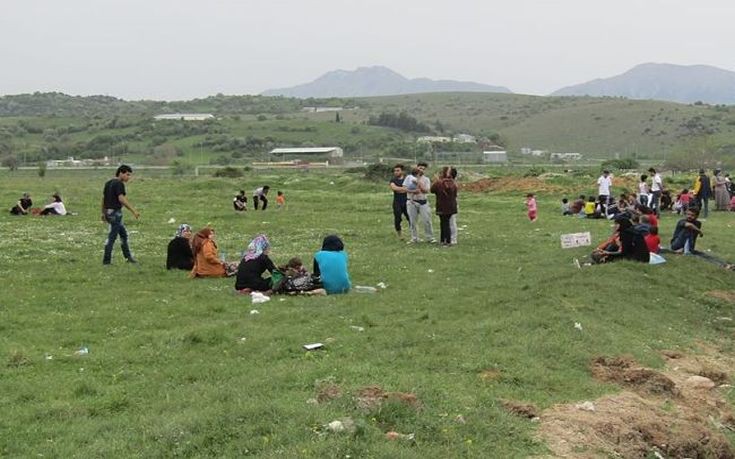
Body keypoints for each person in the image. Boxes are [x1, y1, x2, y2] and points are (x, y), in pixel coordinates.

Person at [102, 165, 140, 265]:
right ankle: (106, 261)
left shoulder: (108, 183)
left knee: (123, 234)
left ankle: (128, 257)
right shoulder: (119, 184)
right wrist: (133, 210)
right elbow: (121, 199)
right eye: (127, 174)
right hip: (115, 214)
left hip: (109, 213)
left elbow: (103, 199)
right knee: (112, 237)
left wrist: (103, 213)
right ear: (121, 173)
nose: (128, 177)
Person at [403, 162, 435, 243]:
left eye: (423, 169)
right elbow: (404, 188)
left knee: (426, 220)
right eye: (420, 168)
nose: (421, 170)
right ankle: (414, 238)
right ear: (417, 168)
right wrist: (413, 191)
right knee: (412, 221)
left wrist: (419, 184)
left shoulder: (426, 179)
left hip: (423, 202)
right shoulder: (409, 177)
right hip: (411, 201)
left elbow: (426, 190)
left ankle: (430, 237)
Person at [430, 166, 458, 245]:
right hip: (451, 206)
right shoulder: (454, 183)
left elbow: (432, 190)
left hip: (441, 205)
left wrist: (437, 180)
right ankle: (445, 240)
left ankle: (445, 241)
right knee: (447, 223)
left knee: (444, 223)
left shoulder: (440, 182)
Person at [388, 164, 410, 239]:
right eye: (395, 171)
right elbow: (394, 188)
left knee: (410, 218)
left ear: (402, 171)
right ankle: (400, 235)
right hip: (397, 202)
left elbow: (409, 188)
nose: (396, 172)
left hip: (407, 202)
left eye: (398, 170)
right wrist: (404, 189)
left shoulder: (407, 179)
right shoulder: (393, 180)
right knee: (397, 219)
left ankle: (414, 234)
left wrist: (402, 189)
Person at [449, 167, 459, 245]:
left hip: (451, 204)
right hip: (446, 204)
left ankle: (453, 239)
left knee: (452, 221)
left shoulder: (453, 183)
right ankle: (448, 237)